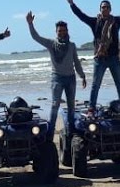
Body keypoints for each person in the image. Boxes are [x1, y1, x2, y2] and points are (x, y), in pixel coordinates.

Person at [65, 0, 120, 109]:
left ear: (110, 9)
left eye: (107, 7)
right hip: (100, 59)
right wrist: (72, 4)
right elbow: (81, 16)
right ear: (100, 9)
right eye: (103, 7)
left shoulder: (116, 21)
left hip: (114, 58)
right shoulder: (95, 22)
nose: (105, 9)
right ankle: (92, 108)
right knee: (95, 85)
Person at [26, 12, 86, 145]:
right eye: (60, 31)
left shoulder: (72, 45)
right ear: (56, 31)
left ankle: (71, 133)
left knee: (71, 107)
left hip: (70, 79)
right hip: (57, 79)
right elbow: (36, 37)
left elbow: (76, 62)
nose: (62, 32)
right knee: (54, 106)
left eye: (64, 30)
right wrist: (30, 24)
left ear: (67, 31)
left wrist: (82, 76)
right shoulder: (51, 44)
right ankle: (49, 136)